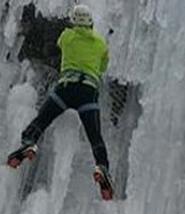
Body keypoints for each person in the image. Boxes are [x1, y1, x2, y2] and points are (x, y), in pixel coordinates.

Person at [6, 4, 114, 200]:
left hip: (66, 89)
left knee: (41, 120)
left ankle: (29, 143)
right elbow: (104, 66)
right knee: (95, 137)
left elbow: (59, 44)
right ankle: (102, 167)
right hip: (88, 93)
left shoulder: (67, 36)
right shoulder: (100, 43)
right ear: (91, 22)